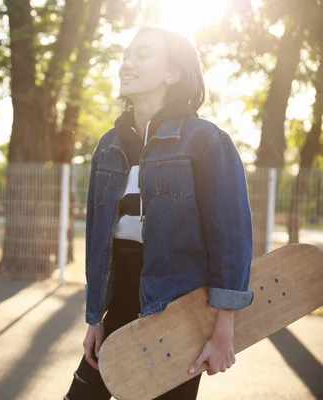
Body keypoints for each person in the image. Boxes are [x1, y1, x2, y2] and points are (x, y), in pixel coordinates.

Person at [64, 26, 254, 400]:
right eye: (126, 55)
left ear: (173, 73)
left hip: (178, 316)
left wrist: (222, 331)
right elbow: (99, 240)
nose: (127, 63)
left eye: (143, 54)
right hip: (117, 308)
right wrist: (95, 319)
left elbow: (230, 241)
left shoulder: (207, 141)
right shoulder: (108, 146)